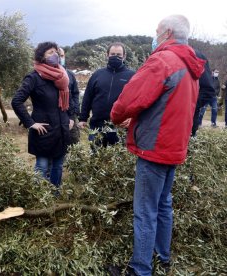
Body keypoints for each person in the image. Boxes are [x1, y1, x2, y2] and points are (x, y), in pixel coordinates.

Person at [108, 15, 205, 276]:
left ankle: (140, 269)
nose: (155, 36)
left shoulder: (163, 60)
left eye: (157, 32)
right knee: (163, 205)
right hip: (174, 148)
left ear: (168, 32)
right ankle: (163, 257)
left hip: (155, 148)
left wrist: (116, 116)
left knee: (145, 211)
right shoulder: (191, 66)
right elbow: (168, 105)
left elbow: (131, 97)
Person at [11, 42, 73, 188]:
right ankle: (38, 197)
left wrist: (69, 118)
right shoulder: (34, 77)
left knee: (58, 167)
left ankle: (54, 195)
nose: (55, 55)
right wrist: (30, 123)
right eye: (50, 52)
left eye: (56, 52)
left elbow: (67, 101)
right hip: (44, 131)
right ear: (42, 57)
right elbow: (16, 101)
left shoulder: (62, 76)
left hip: (61, 130)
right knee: (42, 167)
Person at [78, 42, 135, 147]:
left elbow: (137, 100)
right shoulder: (97, 75)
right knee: (96, 158)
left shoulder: (132, 76)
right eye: (112, 54)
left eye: (118, 55)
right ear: (107, 55)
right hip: (97, 125)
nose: (115, 57)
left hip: (119, 127)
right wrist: (83, 118)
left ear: (124, 56)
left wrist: (132, 118)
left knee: (118, 160)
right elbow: (88, 97)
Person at [191, 51, 218, 135]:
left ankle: (213, 123)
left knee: (214, 110)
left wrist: (194, 104)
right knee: (202, 111)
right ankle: (200, 123)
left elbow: (210, 88)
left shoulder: (196, 55)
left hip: (209, 97)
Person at [59, 47, 81, 144]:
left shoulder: (70, 74)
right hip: (55, 117)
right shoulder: (46, 75)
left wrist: (74, 113)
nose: (60, 58)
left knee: (73, 142)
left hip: (70, 115)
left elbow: (75, 93)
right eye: (58, 55)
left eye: (62, 56)